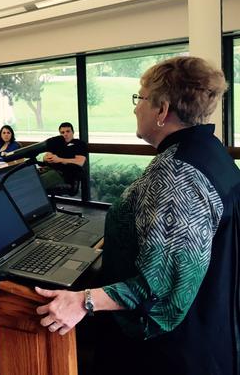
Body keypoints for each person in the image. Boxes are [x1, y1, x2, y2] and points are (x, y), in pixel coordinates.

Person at [33, 57, 239, 375]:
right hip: (209, 327)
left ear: (162, 110)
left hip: (169, 352)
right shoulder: (207, 151)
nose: (135, 108)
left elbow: (160, 291)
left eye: (139, 98)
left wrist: (81, 301)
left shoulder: (177, 175)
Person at [39, 122, 88, 190]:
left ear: (73, 132)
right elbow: (45, 157)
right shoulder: (57, 143)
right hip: (48, 168)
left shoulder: (79, 144)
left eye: (68, 131)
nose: (65, 134)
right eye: (62, 132)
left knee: (36, 183)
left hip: (63, 173)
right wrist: (46, 158)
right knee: (28, 177)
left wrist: (59, 159)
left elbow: (80, 162)